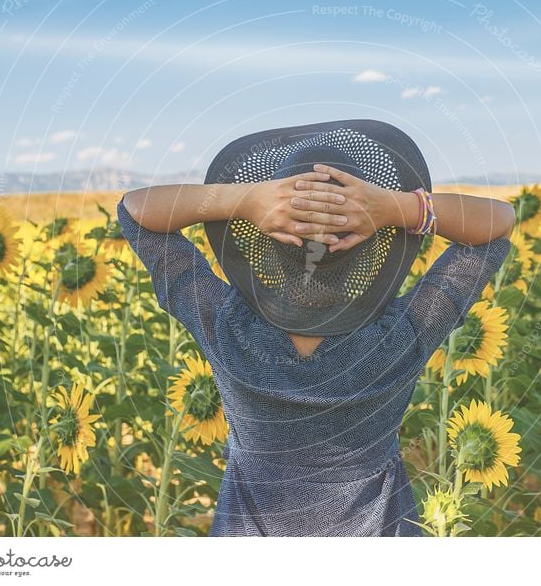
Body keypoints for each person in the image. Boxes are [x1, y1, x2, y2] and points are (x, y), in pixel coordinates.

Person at [116, 119, 515, 536]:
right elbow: (496, 227)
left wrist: (245, 199)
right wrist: (397, 208)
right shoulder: (400, 338)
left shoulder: (226, 326)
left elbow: (136, 212)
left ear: (261, 238)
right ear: (372, 246)